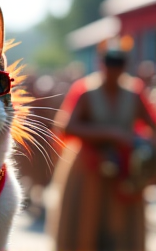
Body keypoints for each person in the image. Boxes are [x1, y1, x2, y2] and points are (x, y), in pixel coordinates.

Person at [48, 50, 156, 251]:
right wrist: (110, 134)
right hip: (88, 169)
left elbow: (152, 126)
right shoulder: (87, 91)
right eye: (110, 69)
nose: (113, 74)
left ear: (124, 68)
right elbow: (66, 126)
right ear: (102, 66)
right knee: (85, 225)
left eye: (118, 69)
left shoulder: (134, 93)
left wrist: (147, 158)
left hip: (125, 172)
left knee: (123, 230)